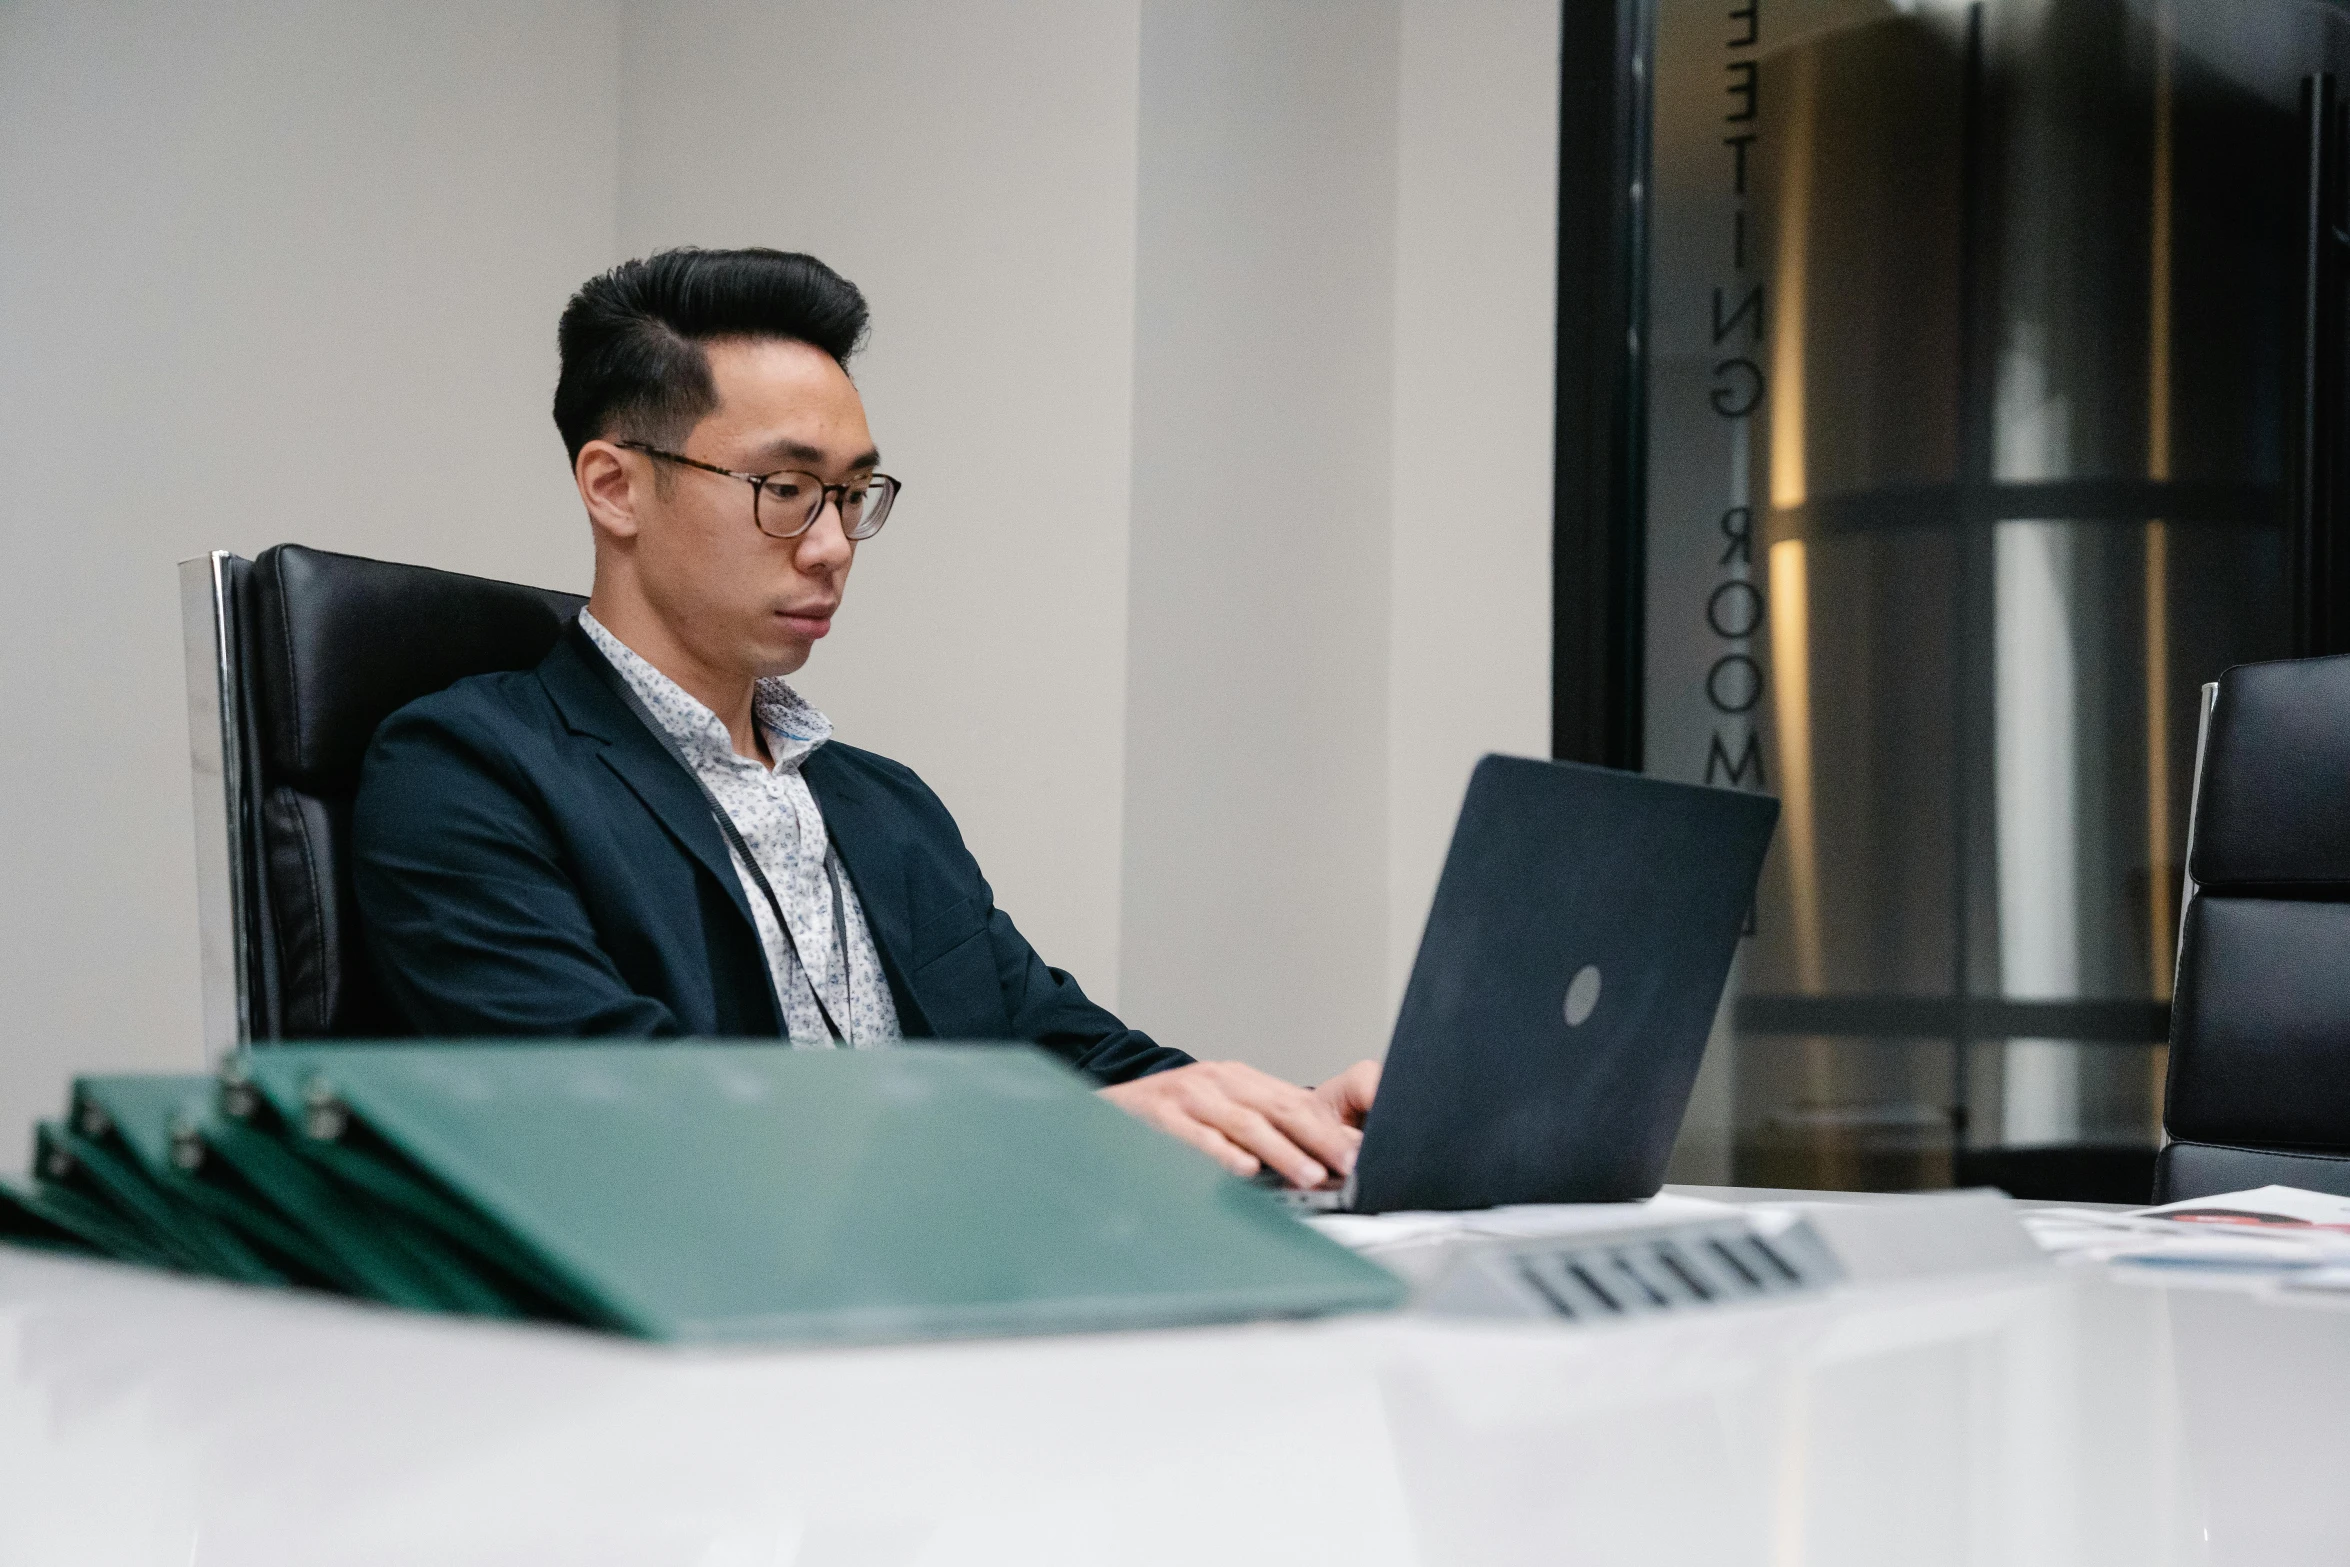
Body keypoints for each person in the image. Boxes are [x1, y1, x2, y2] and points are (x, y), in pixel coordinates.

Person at [353, 247, 1378, 1189]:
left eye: (853, 495)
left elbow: (1068, 1056)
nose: (834, 545)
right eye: (788, 488)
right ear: (614, 487)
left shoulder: (882, 805)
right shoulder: (467, 771)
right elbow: (621, 1124)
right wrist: (1061, 1137)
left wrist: (1288, 1121)